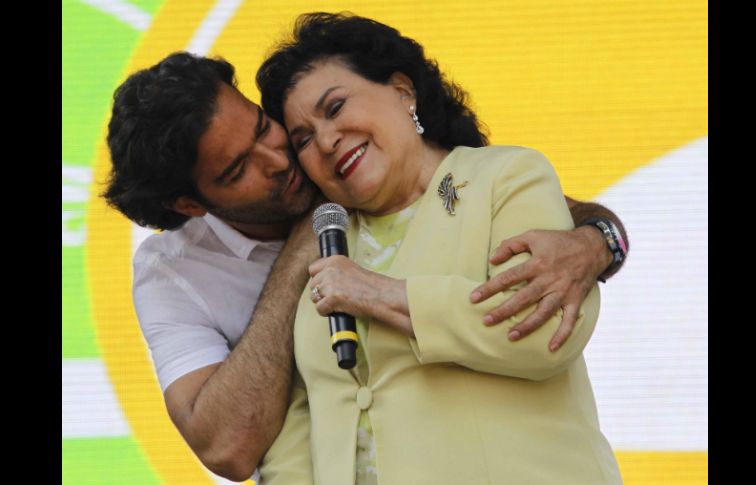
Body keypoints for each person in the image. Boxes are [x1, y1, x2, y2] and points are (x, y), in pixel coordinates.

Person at [102, 49, 627, 482]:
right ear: (190, 205)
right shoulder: (172, 273)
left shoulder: (357, 171)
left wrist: (596, 240)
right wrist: (303, 249)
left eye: (265, 128)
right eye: (241, 168)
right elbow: (230, 446)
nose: (280, 159)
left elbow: (533, 209)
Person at [256, 12, 624, 484]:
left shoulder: (506, 177)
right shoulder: (325, 240)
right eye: (303, 139)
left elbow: (543, 334)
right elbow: (302, 420)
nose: (326, 141)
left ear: (403, 91)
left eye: (335, 108)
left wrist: (379, 293)